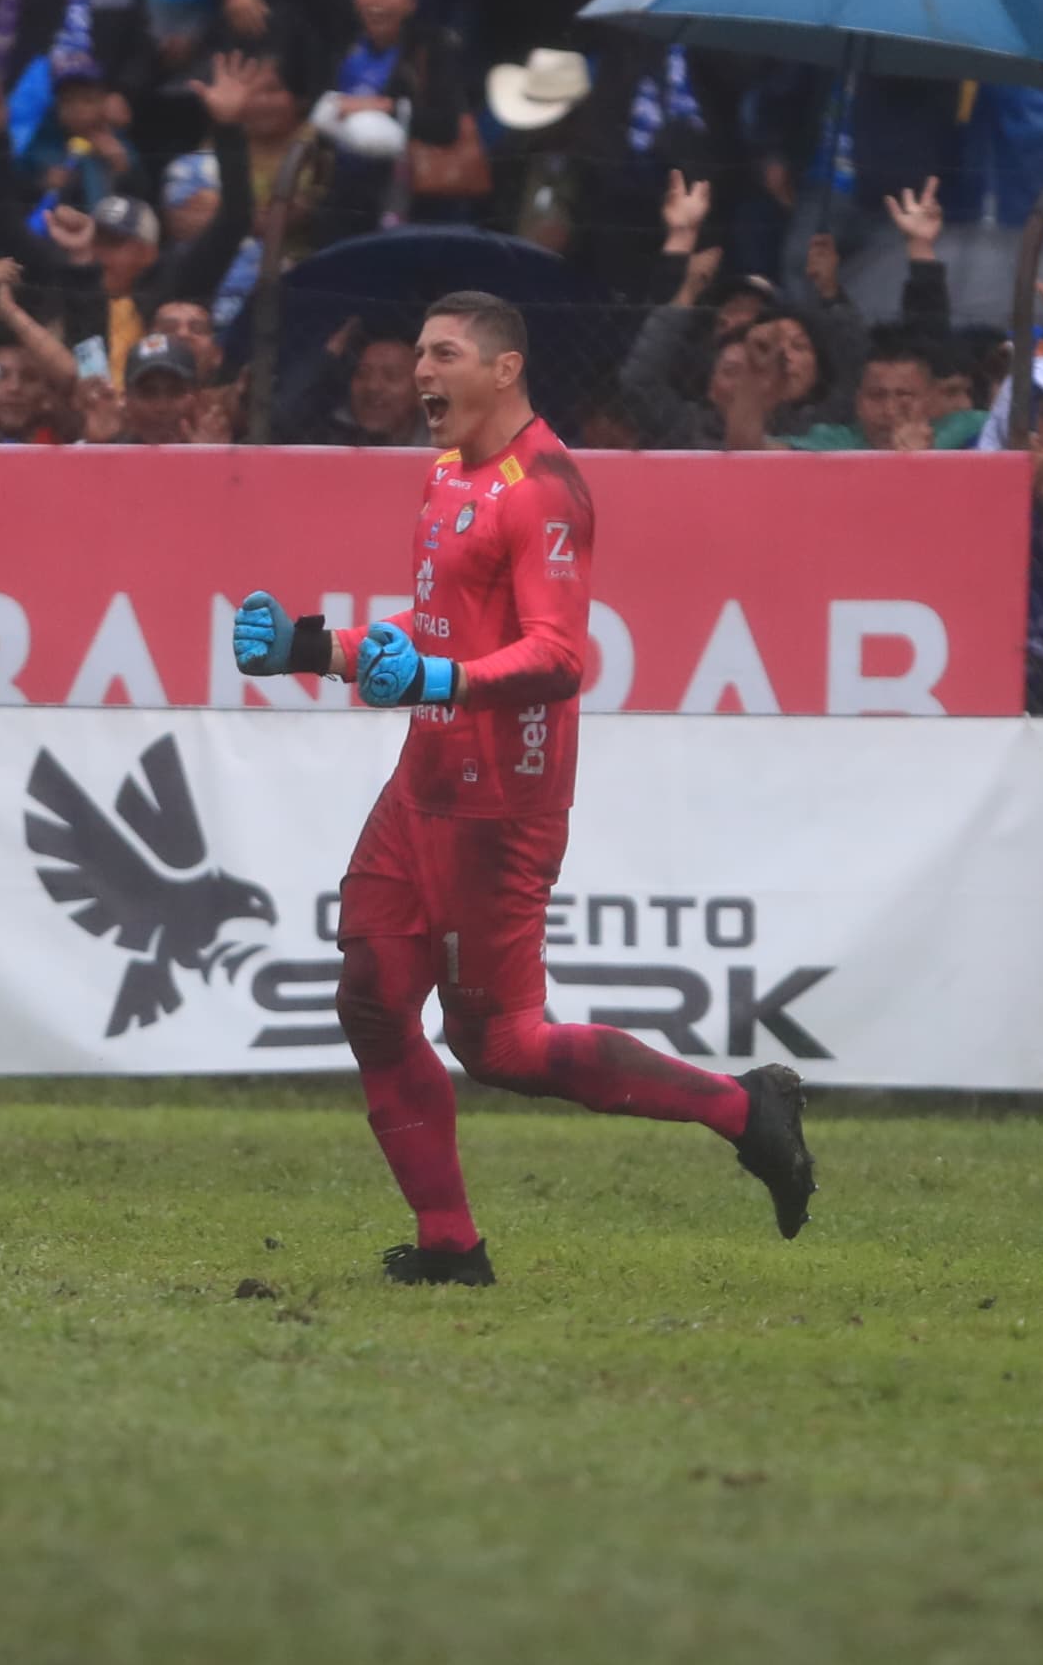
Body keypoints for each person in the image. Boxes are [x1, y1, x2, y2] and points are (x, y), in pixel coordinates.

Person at [227, 289, 813, 1285]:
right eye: (417, 352)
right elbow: (431, 636)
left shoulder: (545, 485)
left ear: (502, 369)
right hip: (423, 781)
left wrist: (439, 681)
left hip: (499, 803)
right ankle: (449, 1244)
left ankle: (744, 1108)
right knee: (369, 997)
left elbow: (557, 657)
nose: (419, 372)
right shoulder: (444, 477)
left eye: (441, 353)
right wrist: (317, 645)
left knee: (496, 1043)